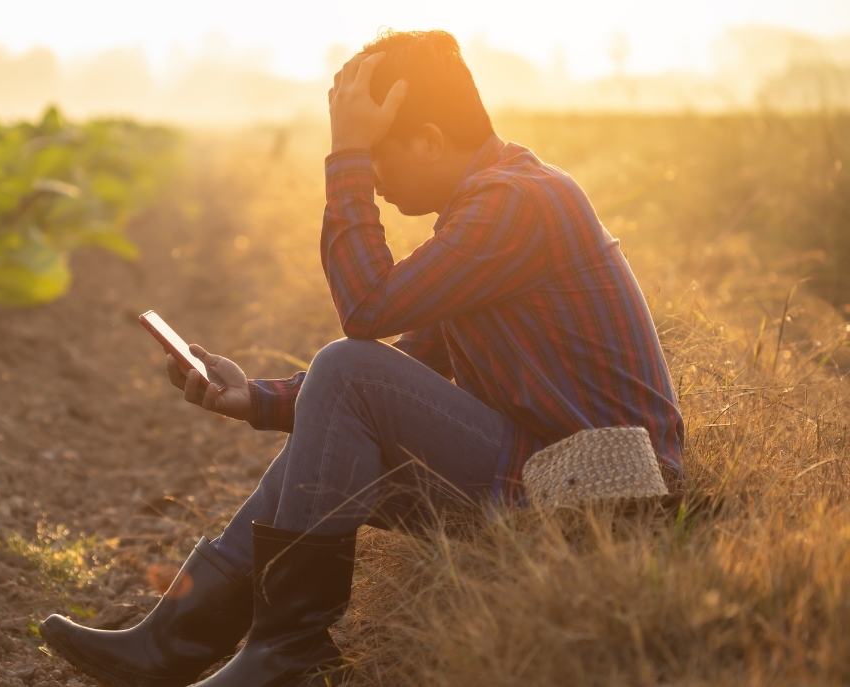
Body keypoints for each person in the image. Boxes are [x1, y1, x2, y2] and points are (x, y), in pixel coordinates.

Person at [40, 29, 685, 687]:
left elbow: (367, 314)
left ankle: (281, 652)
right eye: (361, 163)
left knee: (345, 365)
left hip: (603, 491)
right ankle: (183, 639)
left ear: (431, 140)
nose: (369, 179)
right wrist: (254, 397)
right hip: (542, 467)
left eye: (375, 156)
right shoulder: (487, 205)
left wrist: (343, 155)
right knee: (342, 383)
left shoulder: (518, 203)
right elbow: (406, 373)